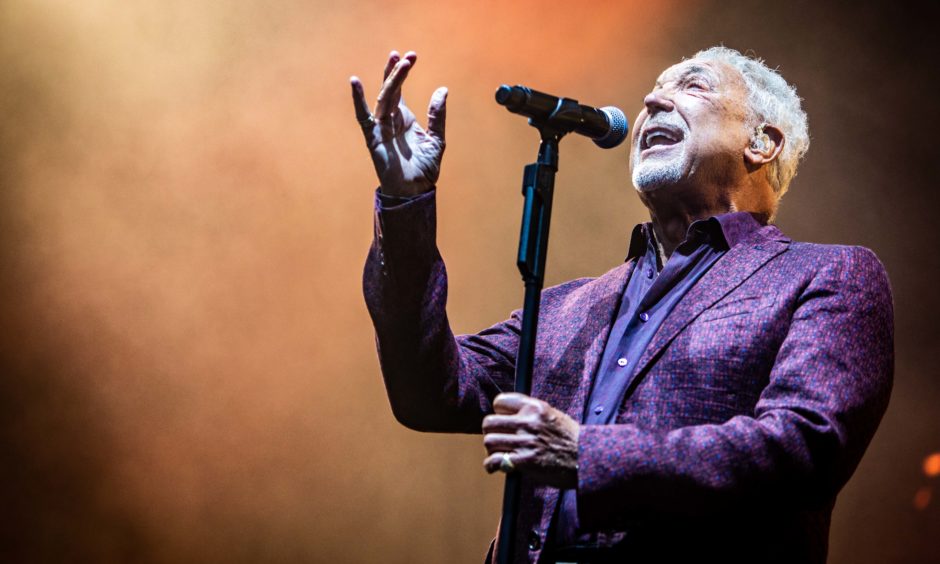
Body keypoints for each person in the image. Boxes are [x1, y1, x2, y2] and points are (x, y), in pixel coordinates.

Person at [351, 47, 893, 563]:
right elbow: (430, 392)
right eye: (653, 91)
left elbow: (803, 449)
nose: (652, 102)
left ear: (762, 143)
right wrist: (405, 206)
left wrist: (590, 456)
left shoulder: (826, 275)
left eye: (692, 86)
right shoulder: (568, 307)